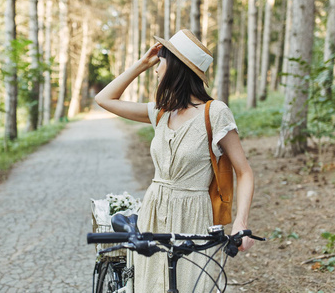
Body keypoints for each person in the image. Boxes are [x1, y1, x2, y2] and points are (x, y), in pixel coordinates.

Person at [95, 29, 254, 293]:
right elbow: (104, 99)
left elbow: (244, 172)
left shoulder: (215, 113)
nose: (156, 70)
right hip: (153, 213)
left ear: (176, 67)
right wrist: (141, 64)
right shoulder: (161, 112)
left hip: (194, 217)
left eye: (160, 62)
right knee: (149, 286)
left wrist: (241, 223)